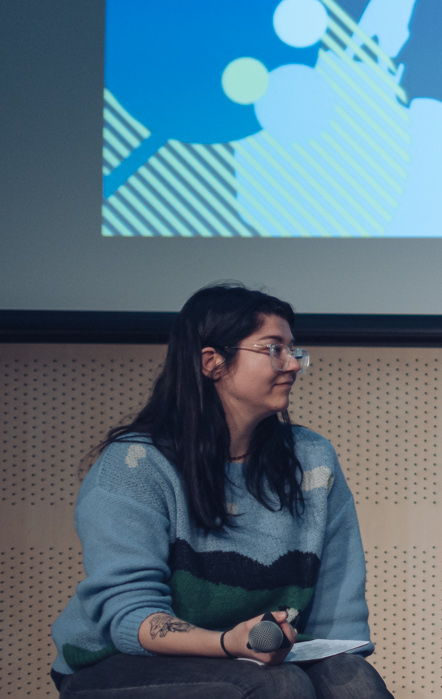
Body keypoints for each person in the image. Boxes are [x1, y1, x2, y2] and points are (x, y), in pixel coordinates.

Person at [49, 283, 388, 697]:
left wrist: (341, 663)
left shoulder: (313, 459)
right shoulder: (137, 463)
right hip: (119, 663)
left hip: (252, 659)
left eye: (293, 350)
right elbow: (131, 616)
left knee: (354, 682)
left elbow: (339, 608)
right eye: (273, 349)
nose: (293, 365)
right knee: (280, 686)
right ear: (212, 362)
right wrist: (228, 643)